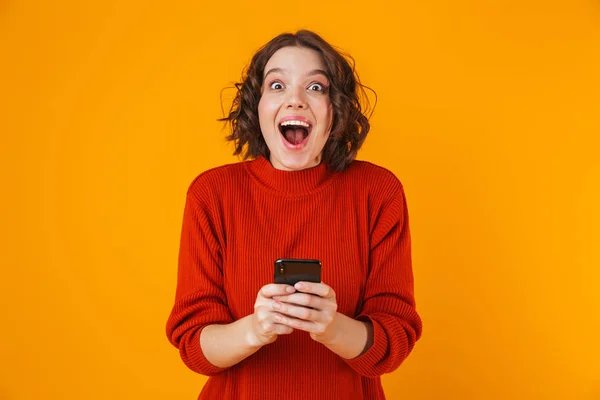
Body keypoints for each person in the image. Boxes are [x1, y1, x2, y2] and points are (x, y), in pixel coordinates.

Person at [165, 29, 423, 400]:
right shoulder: (212, 194)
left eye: (315, 88)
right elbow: (194, 346)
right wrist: (255, 329)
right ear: (258, 107)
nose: (296, 101)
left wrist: (330, 327)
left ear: (336, 109)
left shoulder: (378, 192)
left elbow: (394, 339)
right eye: (277, 85)